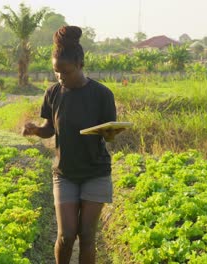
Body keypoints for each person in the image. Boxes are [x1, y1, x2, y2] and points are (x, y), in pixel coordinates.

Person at [22, 25, 123, 264]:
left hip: (95, 172)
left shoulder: (102, 95)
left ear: (79, 65)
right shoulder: (53, 93)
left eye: (65, 72)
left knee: (87, 236)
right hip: (65, 172)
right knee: (66, 235)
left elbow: (109, 134)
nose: (60, 77)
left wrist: (109, 133)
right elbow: (49, 129)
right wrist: (36, 130)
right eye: (56, 72)